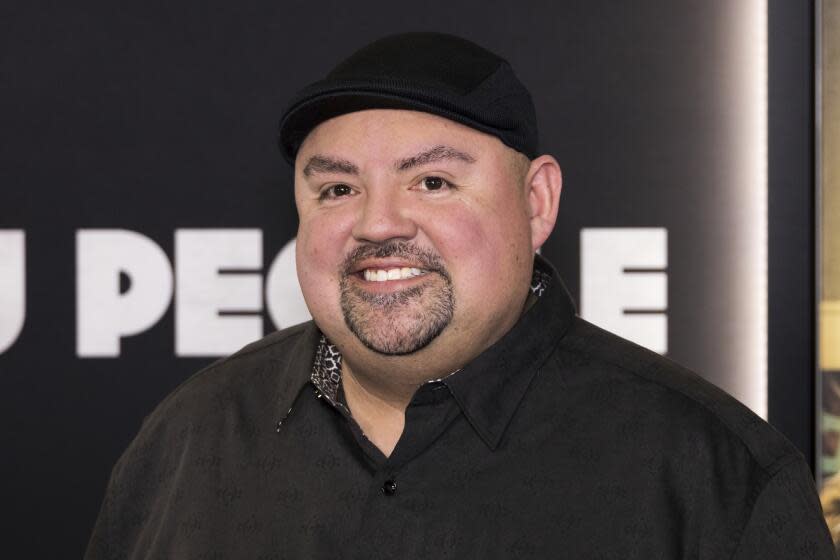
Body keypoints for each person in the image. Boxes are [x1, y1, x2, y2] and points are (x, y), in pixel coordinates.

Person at [86, 32, 836, 559]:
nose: (377, 223)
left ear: (537, 203)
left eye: (433, 182)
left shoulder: (716, 477)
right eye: (338, 188)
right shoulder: (186, 441)